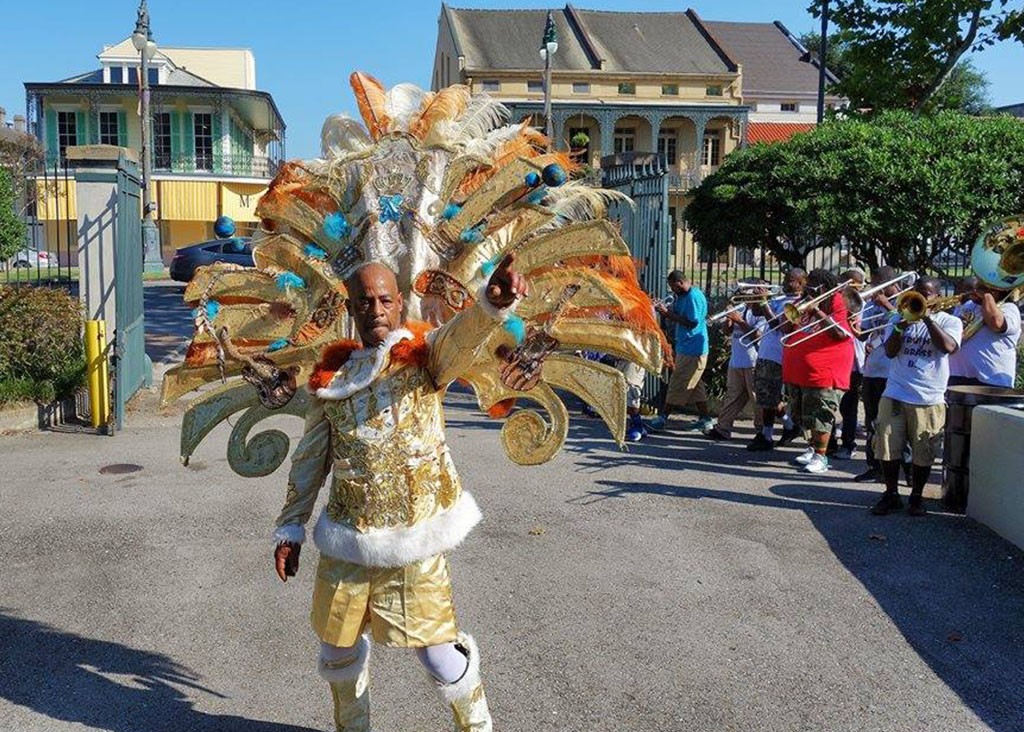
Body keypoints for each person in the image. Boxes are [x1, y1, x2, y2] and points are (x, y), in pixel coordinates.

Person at [272, 257, 527, 731]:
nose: (376, 310)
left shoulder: (425, 358)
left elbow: (460, 338)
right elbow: (310, 460)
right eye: (365, 301)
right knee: (337, 647)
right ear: (351, 307)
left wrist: (490, 305)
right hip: (347, 538)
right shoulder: (333, 379)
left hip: (415, 540)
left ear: (400, 302)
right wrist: (291, 527)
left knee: (436, 656)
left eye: (385, 299)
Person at [870, 277, 963, 517]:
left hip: (929, 397)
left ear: (938, 296)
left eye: (927, 294)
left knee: (924, 451)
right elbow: (890, 352)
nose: (921, 298)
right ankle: (891, 494)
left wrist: (928, 318)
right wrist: (901, 326)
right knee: (887, 445)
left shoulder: (950, 320)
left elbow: (948, 347)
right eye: (918, 293)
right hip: (895, 392)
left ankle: (916, 496)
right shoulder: (898, 318)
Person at [781, 268, 855, 474]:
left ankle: (822, 456)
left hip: (824, 371)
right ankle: (812, 448)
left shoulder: (837, 302)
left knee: (821, 414)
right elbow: (785, 329)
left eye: (812, 285)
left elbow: (840, 334)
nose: (808, 288)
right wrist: (794, 313)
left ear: (823, 287)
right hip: (799, 371)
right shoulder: (803, 302)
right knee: (803, 414)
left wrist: (817, 312)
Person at [853, 266, 908, 483]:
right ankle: (874, 466)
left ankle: (908, 469)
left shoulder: (906, 301)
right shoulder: (870, 305)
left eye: (877, 284)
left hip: (893, 373)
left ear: (889, 282)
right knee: (872, 422)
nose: (873, 288)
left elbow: (907, 325)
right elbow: (863, 336)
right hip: (872, 371)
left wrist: (886, 305)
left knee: (897, 423)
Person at [746, 269, 805, 451]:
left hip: (779, 355)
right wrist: (756, 299)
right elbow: (758, 312)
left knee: (769, 397)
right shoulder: (780, 298)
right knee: (766, 396)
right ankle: (786, 428)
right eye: (786, 279)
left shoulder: (798, 303)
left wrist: (764, 303)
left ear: (801, 283)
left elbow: (779, 326)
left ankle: (767, 435)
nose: (786, 282)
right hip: (766, 352)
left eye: (791, 280)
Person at [649, 271, 713, 432]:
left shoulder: (693, 297)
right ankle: (705, 419)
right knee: (695, 386)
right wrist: (663, 308)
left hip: (693, 349)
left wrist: (668, 315)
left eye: (672, 286)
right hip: (686, 346)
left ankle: (663, 417)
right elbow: (677, 313)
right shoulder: (682, 296)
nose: (672, 290)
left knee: (676, 383)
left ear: (679, 283)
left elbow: (692, 323)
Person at [706, 280, 767, 441]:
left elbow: (758, 335)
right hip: (736, 361)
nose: (744, 296)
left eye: (748, 293)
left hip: (753, 361)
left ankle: (762, 431)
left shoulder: (761, 313)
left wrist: (739, 320)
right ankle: (722, 428)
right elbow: (726, 331)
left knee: (756, 399)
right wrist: (729, 320)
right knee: (732, 397)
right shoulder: (741, 308)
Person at [948, 278, 1021, 387]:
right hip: (957, 376)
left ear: (995, 293)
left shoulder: (1009, 309)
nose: (975, 291)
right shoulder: (968, 305)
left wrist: (986, 296)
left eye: (980, 289)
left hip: (991, 381)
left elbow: (996, 323)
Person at [829, 268, 866, 460]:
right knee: (831, 405)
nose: (840, 288)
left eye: (846, 284)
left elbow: (863, 334)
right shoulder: (837, 303)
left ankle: (848, 444)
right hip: (835, 361)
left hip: (853, 363)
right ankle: (829, 444)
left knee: (848, 408)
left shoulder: (863, 305)